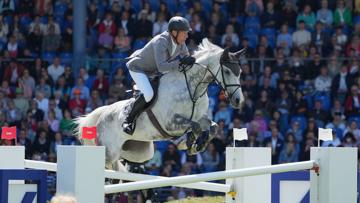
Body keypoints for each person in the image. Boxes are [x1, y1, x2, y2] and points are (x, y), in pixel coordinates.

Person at [123, 16, 195, 135]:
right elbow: (162, 66)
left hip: (153, 72)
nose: (187, 36)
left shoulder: (181, 43)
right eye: (184, 33)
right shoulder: (161, 41)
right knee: (149, 94)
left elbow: (186, 59)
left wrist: (192, 61)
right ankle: (128, 120)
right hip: (139, 69)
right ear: (174, 32)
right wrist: (181, 62)